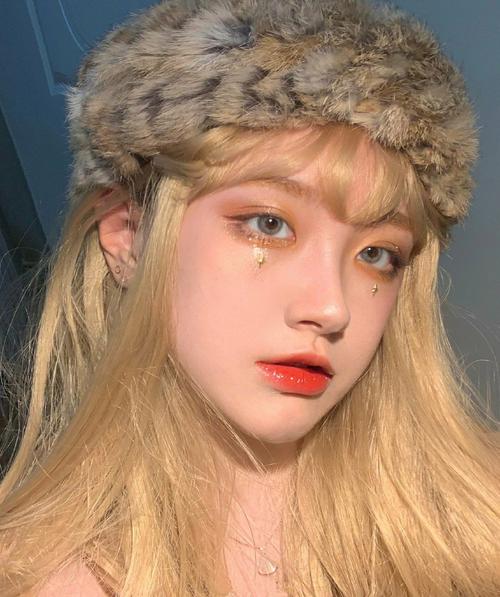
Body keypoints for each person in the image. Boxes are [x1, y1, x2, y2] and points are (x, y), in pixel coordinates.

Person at [1, 0, 499, 595]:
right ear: (129, 236)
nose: (332, 309)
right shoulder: (35, 575)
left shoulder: (480, 519)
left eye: (376, 254)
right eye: (269, 224)